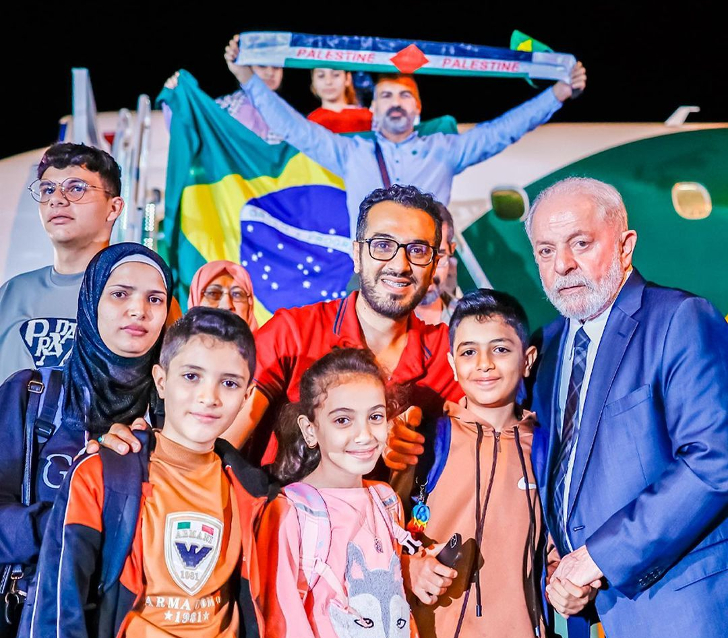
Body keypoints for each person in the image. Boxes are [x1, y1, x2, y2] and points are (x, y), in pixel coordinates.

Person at [525, 177, 728, 638]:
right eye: (545, 250)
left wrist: (599, 557)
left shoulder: (679, 318)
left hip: (679, 609)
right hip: (589, 611)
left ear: (625, 245)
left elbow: (715, 460)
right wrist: (561, 562)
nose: (563, 265)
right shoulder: (548, 345)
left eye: (580, 243)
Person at [22, 306, 275, 637]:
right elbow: (57, 603)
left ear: (245, 397)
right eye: (192, 376)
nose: (208, 397)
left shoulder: (253, 492)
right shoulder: (103, 473)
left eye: (229, 383)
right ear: (161, 381)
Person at [224, 33, 587, 236]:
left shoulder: (444, 150)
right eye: (386, 96)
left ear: (418, 108)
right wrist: (247, 79)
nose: (395, 103)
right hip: (369, 283)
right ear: (373, 109)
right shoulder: (351, 153)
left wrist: (556, 95)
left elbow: (503, 131)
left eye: (404, 96)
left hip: (430, 279)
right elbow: (294, 128)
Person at [223, 184, 462, 466]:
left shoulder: (451, 354)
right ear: (357, 255)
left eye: (418, 250)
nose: (400, 265)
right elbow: (219, 451)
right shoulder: (293, 332)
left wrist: (428, 437)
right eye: (382, 245)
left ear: (435, 264)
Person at [0, 243, 172, 634]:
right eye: (120, 294)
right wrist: (80, 519)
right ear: (91, 301)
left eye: (155, 299)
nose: (138, 310)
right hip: (34, 615)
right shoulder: (30, 396)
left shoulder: (172, 415)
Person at [392, 289, 560, 638]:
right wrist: (407, 567)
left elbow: (555, 547)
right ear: (453, 364)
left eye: (500, 349)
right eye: (469, 352)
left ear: (527, 360)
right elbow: (375, 533)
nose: (484, 364)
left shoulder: (545, 450)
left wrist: (562, 579)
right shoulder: (425, 441)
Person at [257, 347, 421, 637]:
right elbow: (283, 620)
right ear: (310, 430)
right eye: (343, 420)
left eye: (375, 416)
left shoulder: (386, 501)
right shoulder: (290, 511)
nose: (364, 435)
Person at [0, 142, 124, 384]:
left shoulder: (139, 295)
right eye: (47, 189)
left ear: (113, 207)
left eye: (76, 188)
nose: (56, 199)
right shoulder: (11, 293)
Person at [162, 63, 283, 142]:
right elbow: (191, 132)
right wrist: (176, 102)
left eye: (276, 67)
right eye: (262, 66)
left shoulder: (288, 114)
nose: (270, 73)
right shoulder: (226, 106)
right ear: (246, 69)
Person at [415, 202, 459, 325]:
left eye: (438, 257)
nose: (430, 273)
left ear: (451, 250)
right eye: (417, 254)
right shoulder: (379, 325)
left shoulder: (467, 322)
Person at [188, 260, 259, 332]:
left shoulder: (264, 339)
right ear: (195, 299)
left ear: (249, 303)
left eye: (237, 294)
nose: (226, 306)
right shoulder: (182, 339)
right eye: (213, 293)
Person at [307, 67, 373, 133]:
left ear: (348, 78)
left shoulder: (366, 118)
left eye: (336, 75)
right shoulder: (310, 123)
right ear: (313, 81)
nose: (328, 82)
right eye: (321, 76)